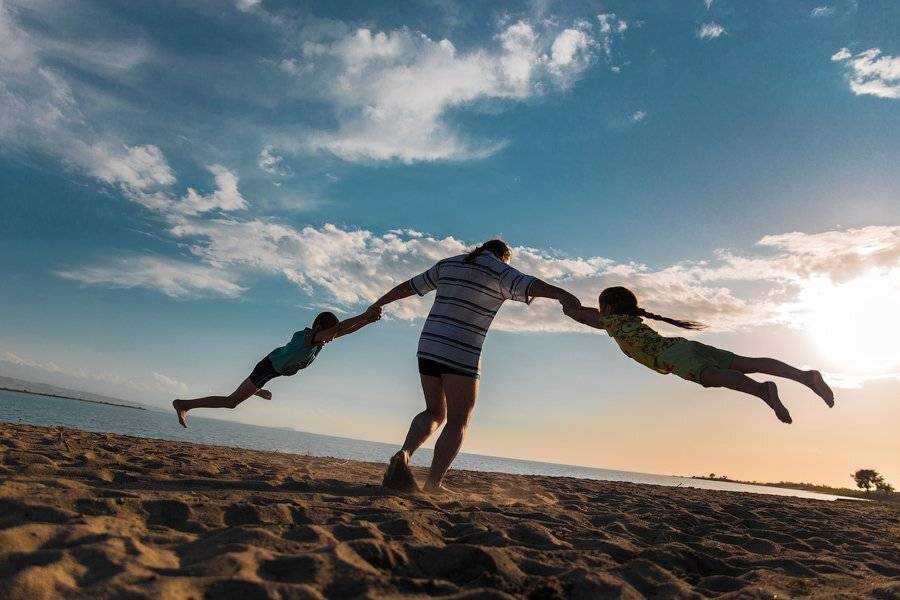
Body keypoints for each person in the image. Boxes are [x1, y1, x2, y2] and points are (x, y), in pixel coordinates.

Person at [370, 239, 579, 493]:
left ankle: (404, 453)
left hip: (429, 345)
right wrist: (564, 295)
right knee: (458, 420)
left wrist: (378, 303)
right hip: (461, 351)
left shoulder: (448, 264)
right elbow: (531, 284)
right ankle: (434, 483)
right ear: (503, 257)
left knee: (434, 411)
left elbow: (410, 286)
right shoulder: (500, 270)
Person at [563, 286, 834, 424]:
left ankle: (762, 391)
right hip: (684, 346)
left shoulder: (611, 322)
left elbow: (575, 311)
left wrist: (558, 296)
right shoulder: (632, 320)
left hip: (673, 356)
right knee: (748, 363)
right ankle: (804, 376)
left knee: (713, 376)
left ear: (609, 308)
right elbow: (588, 311)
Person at [172, 307, 381, 428]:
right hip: (267, 368)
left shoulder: (319, 342)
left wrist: (368, 321)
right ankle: (184, 404)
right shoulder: (308, 337)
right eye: (329, 334)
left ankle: (256, 390)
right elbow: (341, 327)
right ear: (319, 328)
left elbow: (343, 331)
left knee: (240, 396)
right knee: (231, 402)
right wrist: (365, 314)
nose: (330, 339)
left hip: (273, 371)